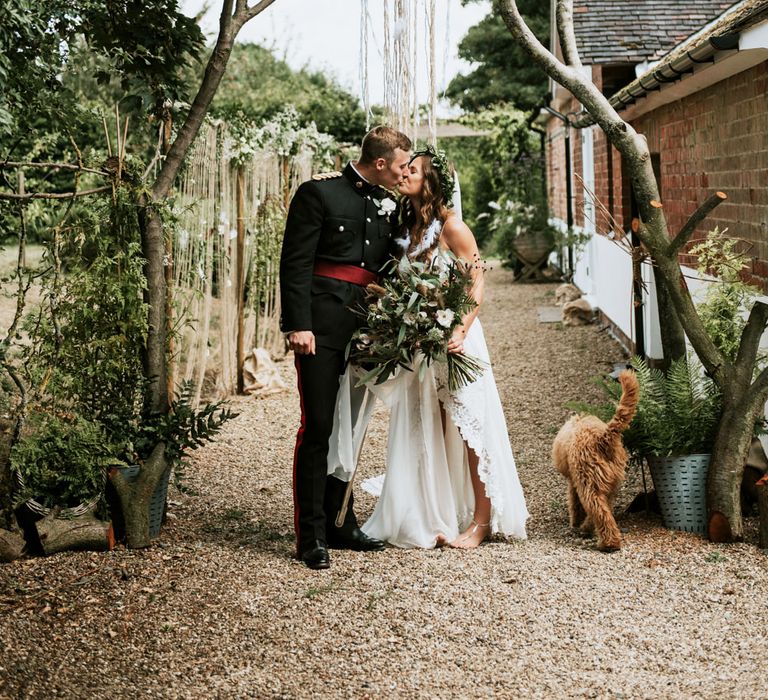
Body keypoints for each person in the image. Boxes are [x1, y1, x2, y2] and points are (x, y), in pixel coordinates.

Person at [332, 147, 528, 549]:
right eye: (403, 169)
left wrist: (459, 327)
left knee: (470, 425)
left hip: (456, 340)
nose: (403, 175)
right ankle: (431, 512)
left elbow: (477, 285)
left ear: (432, 180)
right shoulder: (404, 228)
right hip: (422, 342)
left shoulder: (453, 227)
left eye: (413, 170)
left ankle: (482, 521)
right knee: (430, 425)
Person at [280, 125, 412, 569]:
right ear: (380, 163)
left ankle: (341, 522)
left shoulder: (388, 204)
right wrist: (298, 324)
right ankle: (311, 536)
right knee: (318, 426)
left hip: (367, 330)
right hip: (321, 328)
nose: (402, 173)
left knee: (351, 429)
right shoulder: (318, 194)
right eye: (399, 165)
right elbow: (295, 261)